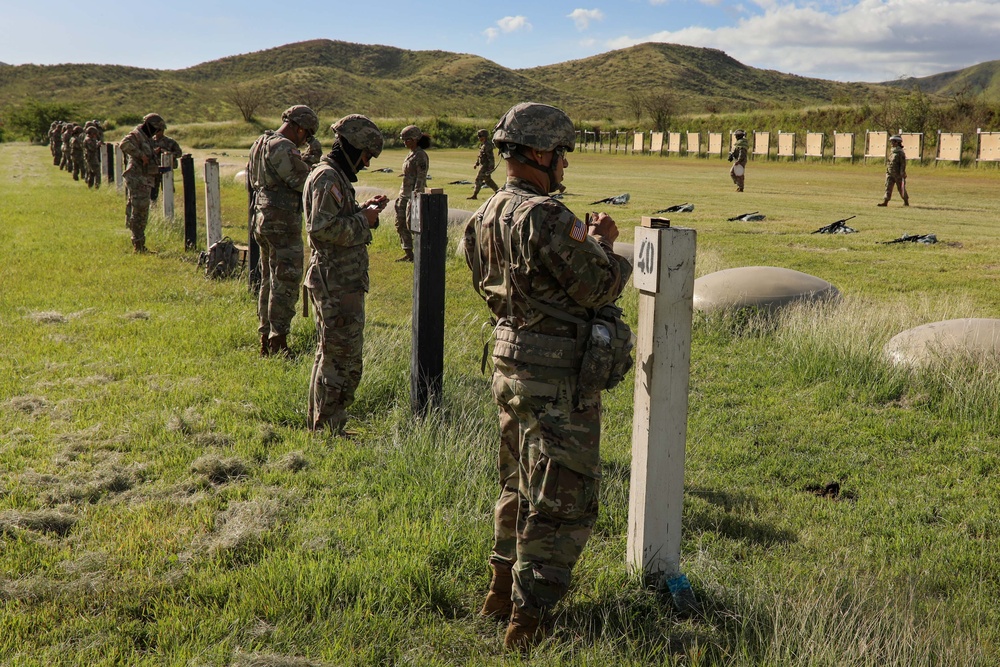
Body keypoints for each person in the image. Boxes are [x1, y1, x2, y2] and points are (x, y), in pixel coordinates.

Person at [463, 102, 632, 651]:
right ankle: (527, 619)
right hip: (555, 374)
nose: (565, 165)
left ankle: (498, 590)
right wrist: (606, 244)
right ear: (539, 153)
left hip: (509, 363)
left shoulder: (486, 213)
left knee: (516, 482)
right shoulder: (547, 216)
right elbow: (598, 287)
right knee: (561, 498)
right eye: (561, 154)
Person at [302, 115, 388, 434]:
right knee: (339, 358)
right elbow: (322, 229)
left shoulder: (334, 177)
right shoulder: (328, 177)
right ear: (353, 148)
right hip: (336, 282)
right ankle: (328, 428)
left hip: (340, 280)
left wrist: (362, 209)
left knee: (333, 353)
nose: (366, 164)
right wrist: (365, 221)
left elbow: (333, 220)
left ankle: (323, 423)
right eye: (366, 156)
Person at [247, 104, 318, 357]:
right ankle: (279, 342)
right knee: (285, 281)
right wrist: (314, 159)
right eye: (306, 134)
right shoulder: (283, 146)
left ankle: (265, 336)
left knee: (267, 280)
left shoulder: (261, 142)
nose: (305, 140)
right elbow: (302, 182)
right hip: (281, 221)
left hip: (262, 217)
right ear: (298, 128)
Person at [119, 113, 165, 253]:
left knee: (141, 210)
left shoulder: (146, 138)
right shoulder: (136, 134)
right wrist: (141, 155)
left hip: (144, 178)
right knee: (140, 210)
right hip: (137, 178)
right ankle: (138, 245)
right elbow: (124, 144)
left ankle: (139, 243)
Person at [393, 124, 429, 262]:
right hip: (404, 194)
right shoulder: (410, 154)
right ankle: (408, 253)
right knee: (400, 223)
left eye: (407, 139)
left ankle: (422, 251)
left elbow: (421, 177)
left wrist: (416, 196)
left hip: (413, 195)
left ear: (415, 139)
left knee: (412, 224)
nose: (404, 142)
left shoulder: (421, 156)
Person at [150, 128, 183, 202]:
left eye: (159, 130)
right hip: (154, 169)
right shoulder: (150, 141)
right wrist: (154, 152)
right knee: (153, 191)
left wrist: (168, 153)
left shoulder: (170, 141)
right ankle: (153, 207)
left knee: (168, 189)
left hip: (167, 169)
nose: (157, 133)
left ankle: (168, 205)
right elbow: (146, 153)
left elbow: (179, 153)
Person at [878, 135, 909, 206]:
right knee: (888, 187)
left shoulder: (900, 153)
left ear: (897, 142)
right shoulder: (892, 151)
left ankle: (906, 201)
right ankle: (885, 202)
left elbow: (903, 164)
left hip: (898, 174)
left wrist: (902, 173)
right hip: (890, 173)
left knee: (901, 189)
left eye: (893, 142)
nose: (891, 143)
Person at [469, 128, 499, 200]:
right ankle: (498, 192)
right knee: (488, 181)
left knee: (478, 179)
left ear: (484, 136)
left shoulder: (487, 145)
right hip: (483, 165)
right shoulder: (483, 145)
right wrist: (477, 163)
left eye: (480, 136)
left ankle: (475, 195)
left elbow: (491, 158)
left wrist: (490, 168)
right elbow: (480, 155)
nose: (479, 138)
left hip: (485, 166)